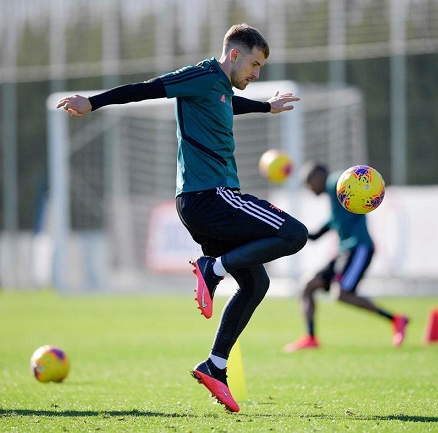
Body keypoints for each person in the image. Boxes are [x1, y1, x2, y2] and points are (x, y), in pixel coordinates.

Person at [56, 23, 308, 413]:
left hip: (205, 204)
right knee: (295, 233)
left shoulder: (219, 88)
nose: (257, 74)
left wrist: (265, 106)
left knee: (256, 283)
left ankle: (215, 365)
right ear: (235, 54)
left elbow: (227, 103)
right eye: (255, 65)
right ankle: (214, 267)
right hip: (211, 196)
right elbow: (147, 88)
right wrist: (93, 101)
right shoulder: (202, 74)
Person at [284, 163, 408, 353]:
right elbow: (317, 234)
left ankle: (396, 320)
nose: (309, 189)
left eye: (309, 183)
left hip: (359, 247)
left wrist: (360, 180)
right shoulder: (337, 206)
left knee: (342, 294)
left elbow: (343, 180)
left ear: (318, 176)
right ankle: (310, 338)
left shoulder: (334, 183)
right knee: (308, 285)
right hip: (345, 251)